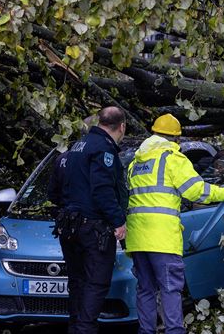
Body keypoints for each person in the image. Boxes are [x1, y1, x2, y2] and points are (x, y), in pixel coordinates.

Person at [125, 113, 224, 334]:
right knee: (170, 289)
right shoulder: (172, 159)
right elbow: (196, 191)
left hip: (137, 238)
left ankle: (145, 331)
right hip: (162, 238)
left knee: (145, 289)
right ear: (176, 139)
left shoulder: (136, 163)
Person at [59, 106, 128, 334]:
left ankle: (76, 328)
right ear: (122, 126)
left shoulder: (76, 146)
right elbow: (102, 190)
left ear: (98, 122)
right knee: (95, 284)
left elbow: (56, 187)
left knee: (77, 283)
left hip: (69, 226)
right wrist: (118, 221)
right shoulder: (103, 149)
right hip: (93, 228)